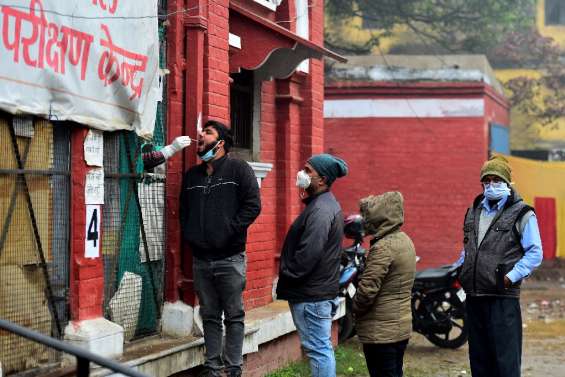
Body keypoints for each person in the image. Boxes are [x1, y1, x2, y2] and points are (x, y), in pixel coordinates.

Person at [180, 120, 261, 377]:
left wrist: (229, 231)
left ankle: (233, 368)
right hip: (201, 260)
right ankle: (213, 367)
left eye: (208, 132)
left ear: (221, 142)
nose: (200, 135)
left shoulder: (239, 169)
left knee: (234, 315)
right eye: (201, 131)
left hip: (230, 257)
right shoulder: (191, 176)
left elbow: (253, 205)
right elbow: (184, 212)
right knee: (210, 315)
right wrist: (191, 235)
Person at [455, 155, 543, 377]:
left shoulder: (523, 213)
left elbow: (535, 252)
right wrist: (461, 269)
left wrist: (511, 276)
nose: (491, 185)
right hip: (475, 297)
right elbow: (469, 247)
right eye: (487, 181)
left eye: (496, 180)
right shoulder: (474, 211)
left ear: (507, 182)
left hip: (502, 299)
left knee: (505, 363)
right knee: (480, 361)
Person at [276, 153, 348, 377]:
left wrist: (288, 274)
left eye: (308, 171)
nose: (302, 174)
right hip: (316, 293)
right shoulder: (322, 205)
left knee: (318, 351)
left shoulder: (321, 210)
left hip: (311, 296)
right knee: (321, 349)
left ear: (322, 180)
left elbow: (309, 253)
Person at [352, 192, 416, 377]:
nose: (365, 221)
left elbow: (367, 291)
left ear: (380, 218)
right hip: (398, 327)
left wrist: (355, 308)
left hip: (381, 332)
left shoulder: (384, 247)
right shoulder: (405, 240)